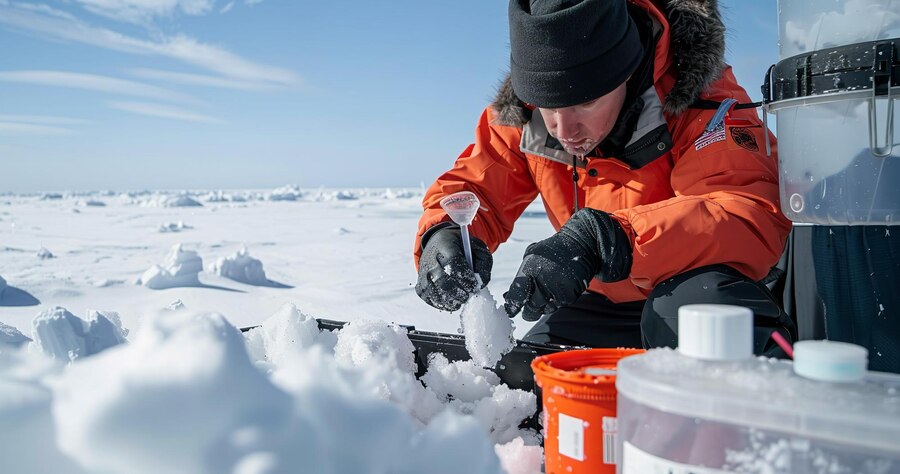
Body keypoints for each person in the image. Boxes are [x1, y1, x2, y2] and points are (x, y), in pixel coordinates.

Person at [413, 0, 795, 355]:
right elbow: (477, 183)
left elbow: (746, 211)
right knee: (527, 385)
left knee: (697, 313)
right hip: (598, 299)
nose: (565, 129)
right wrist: (443, 232)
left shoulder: (703, 100)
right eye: (550, 105)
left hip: (697, 296)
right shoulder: (524, 113)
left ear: (626, 72)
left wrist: (609, 240)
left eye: (585, 102)